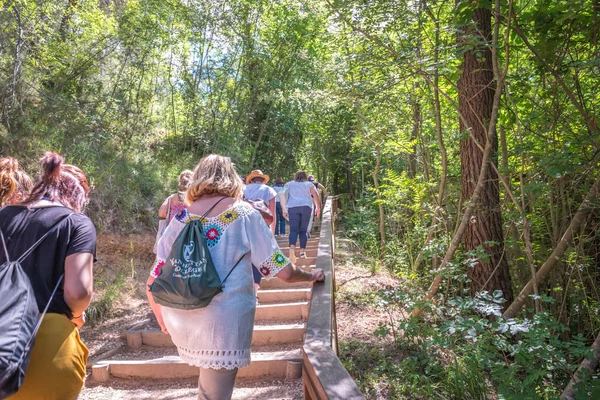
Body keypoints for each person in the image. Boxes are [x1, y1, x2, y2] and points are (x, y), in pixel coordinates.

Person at [146, 154, 324, 400]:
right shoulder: (243, 213)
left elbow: (155, 274)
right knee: (214, 394)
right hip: (224, 319)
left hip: (182, 312)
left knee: (207, 390)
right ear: (232, 178)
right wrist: (310, 275)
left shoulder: (182, 217)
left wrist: (160, 314)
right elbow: (281, 270)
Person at [0, 152, 96, 400]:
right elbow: (78, 292)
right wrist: (75, 315)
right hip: (51, 352)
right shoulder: (77, 223)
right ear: (78, 195)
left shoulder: (3, 216)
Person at [280, 170, 322, 262]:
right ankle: (302, 252)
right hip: (306, 207)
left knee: (293, 230)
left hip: (292, 207)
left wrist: (284, 209)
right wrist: (318, 207)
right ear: (305, 177)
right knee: (303, 230)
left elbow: (282, 194)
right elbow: (316, 194)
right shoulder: (309, 184)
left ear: (296, 176)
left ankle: (291, 251)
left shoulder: (289, 184)